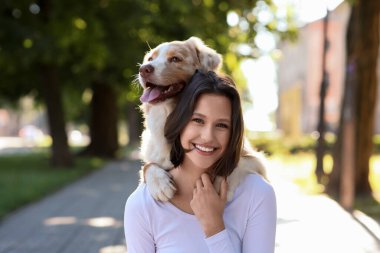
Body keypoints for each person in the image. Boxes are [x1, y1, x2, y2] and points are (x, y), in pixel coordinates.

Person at [124, 70, 277, 253]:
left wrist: (214, 228)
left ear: (233, 133)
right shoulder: (143, 205)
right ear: (179, 121)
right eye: (198, 120)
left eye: (221, 125)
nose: (207, 136)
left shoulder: (257, 194)